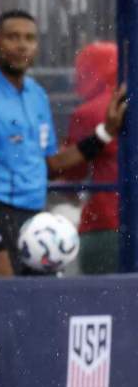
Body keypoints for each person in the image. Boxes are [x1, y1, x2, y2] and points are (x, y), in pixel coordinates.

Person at [0, 10, 127, 277]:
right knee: (2, 309)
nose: (22, 45)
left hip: (34, 219)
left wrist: (105, 132)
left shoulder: (37, 95)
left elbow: (51, 165)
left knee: (38, 307)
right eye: (13, 37)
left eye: (30, 38)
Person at [64, 42, 120, 274]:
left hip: (104, 224)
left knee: (103, 300)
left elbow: (70, 172)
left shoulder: (87, 113)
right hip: (124, 217)